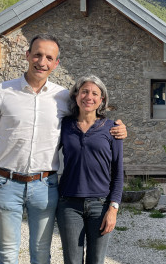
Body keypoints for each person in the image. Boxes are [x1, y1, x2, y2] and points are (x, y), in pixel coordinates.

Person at [0, 34, 127, 264]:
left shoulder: (62, 97)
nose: (42, 61)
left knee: (42, 253)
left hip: (44, 185)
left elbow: (90, 120)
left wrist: (120, 128)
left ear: (55, 63)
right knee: (7, 252)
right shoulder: (2, 92)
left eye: (49, 57)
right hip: (5, 182)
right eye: (37, 54)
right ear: (27, 55)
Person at [56, 75, 123, 264]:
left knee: (96, 261)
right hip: (68, 205)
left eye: (95, 93)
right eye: (84, 91)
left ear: (101, 100)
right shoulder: (64, 125)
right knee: (72, 261)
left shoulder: (112, 129)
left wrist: (113, 209)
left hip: (100, 206)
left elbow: (118, 174)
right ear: (76, 95)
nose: (89, 97)